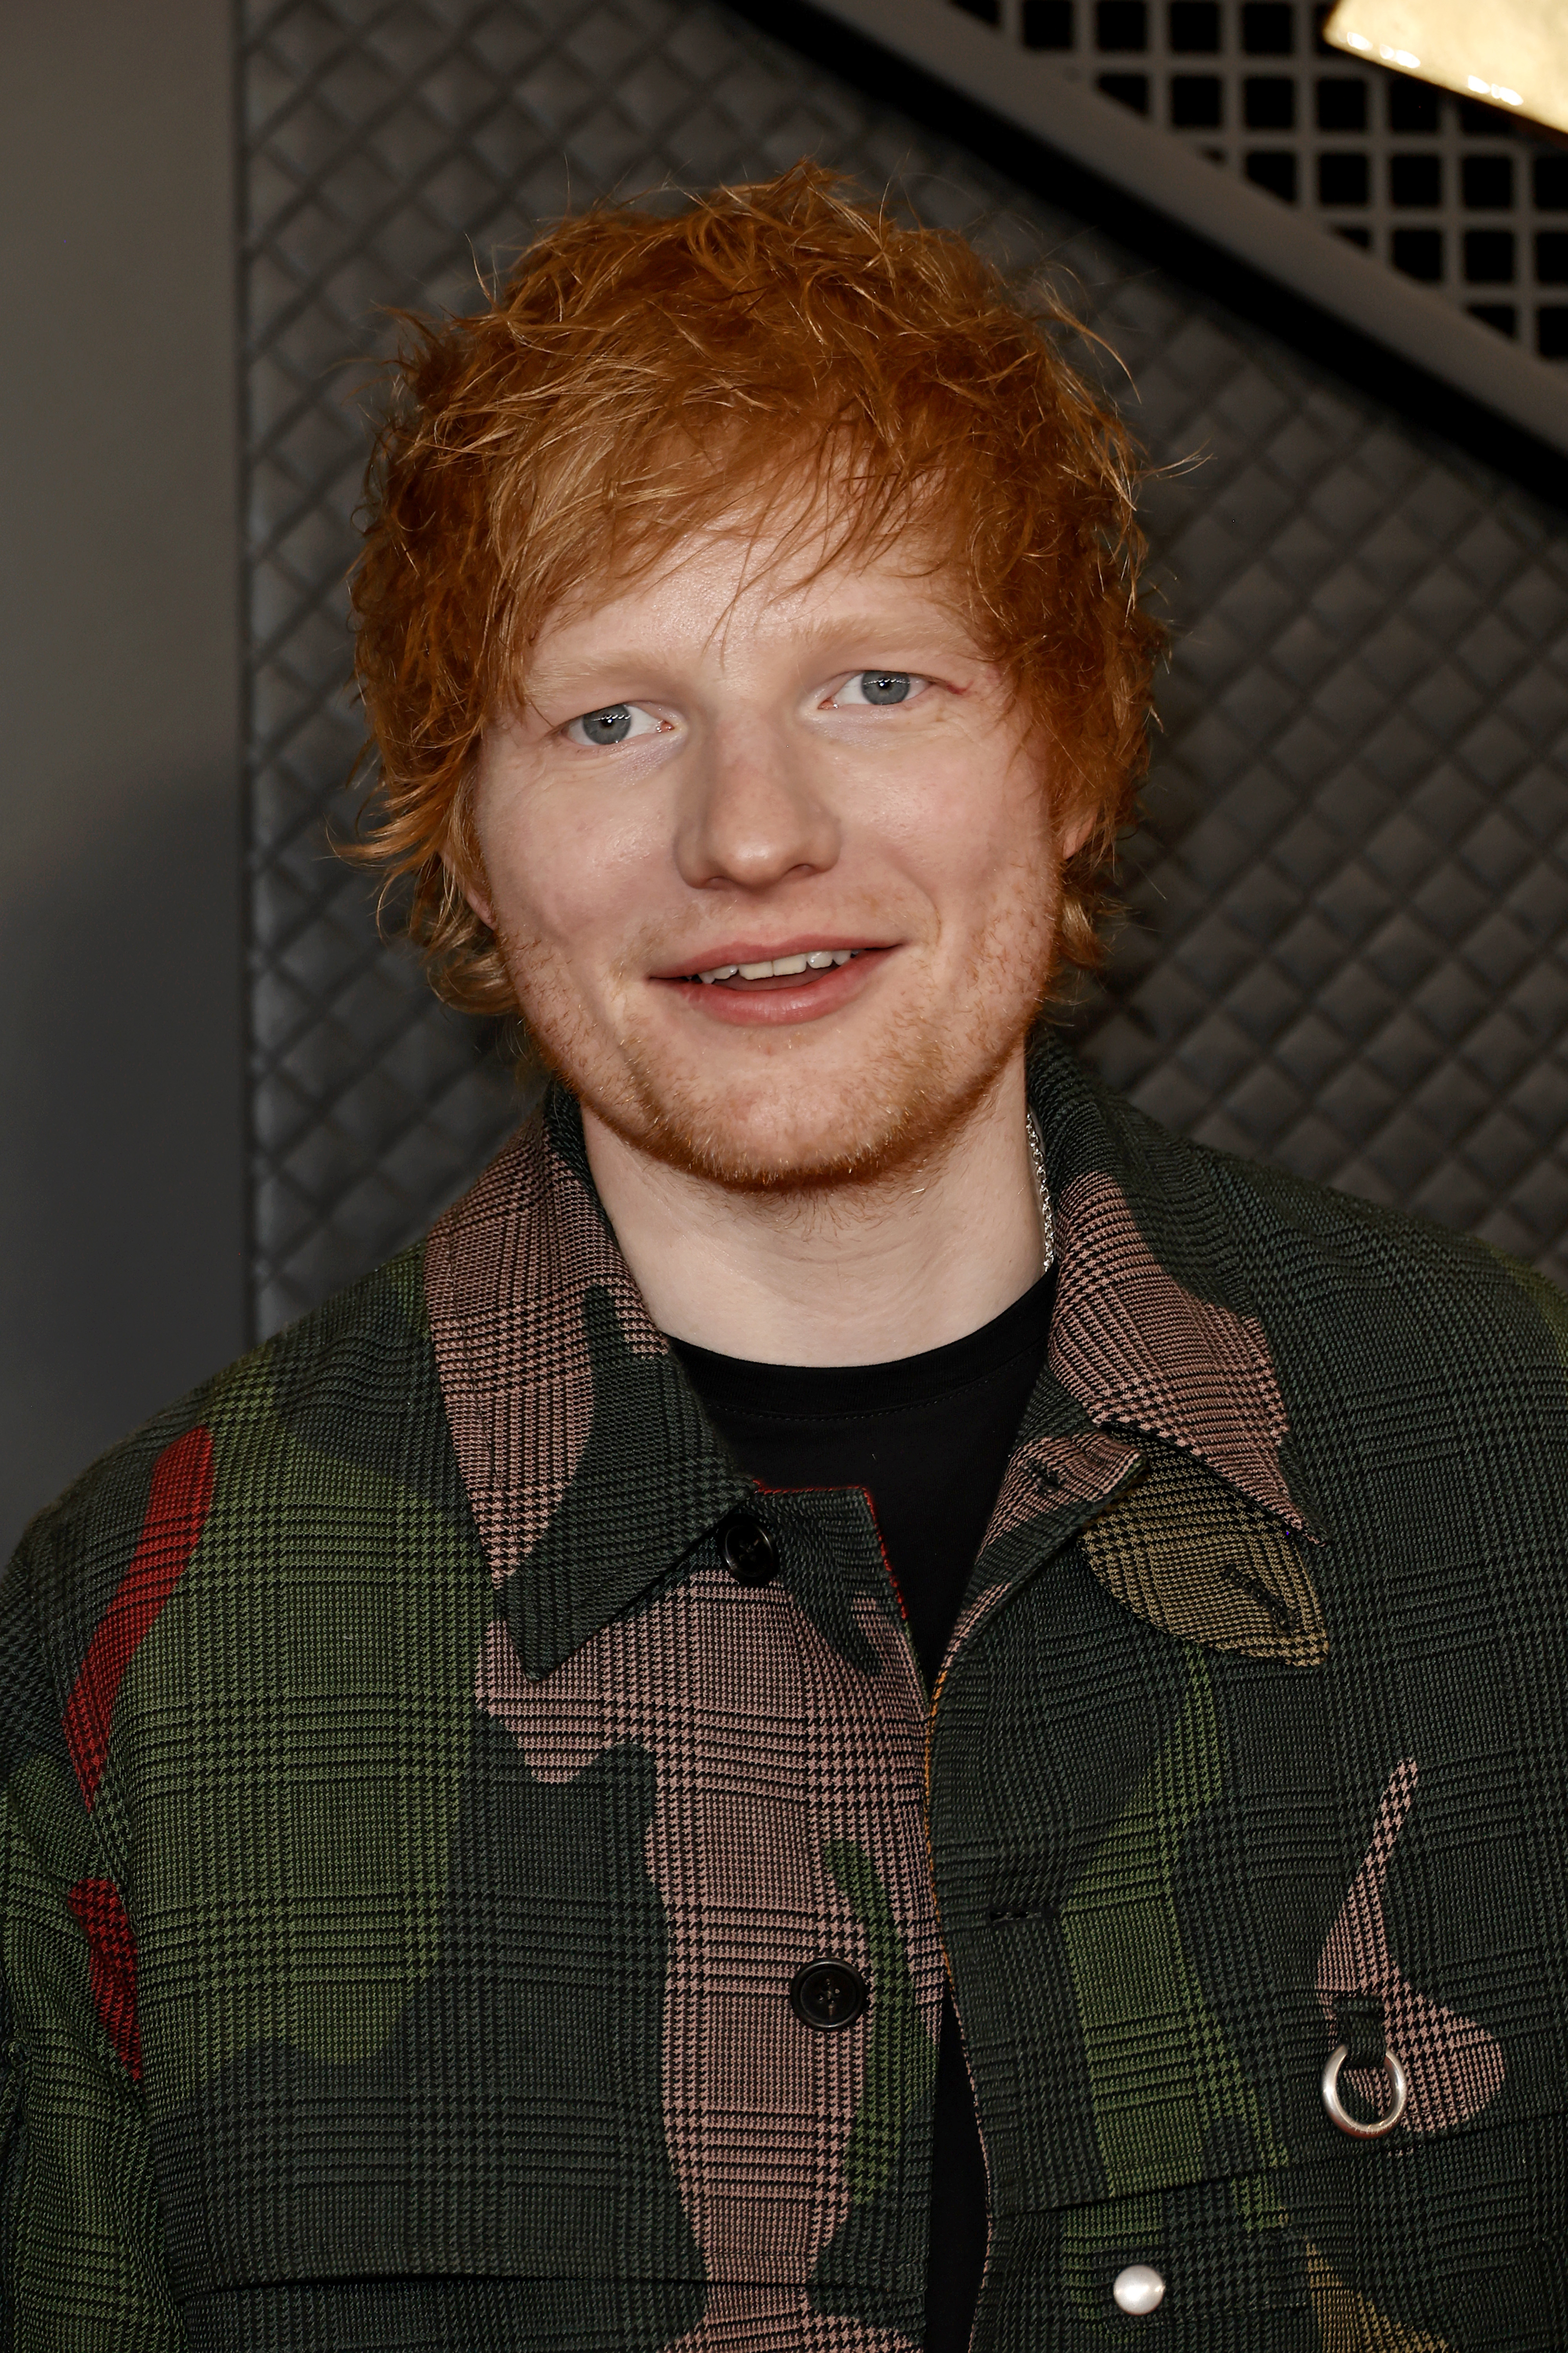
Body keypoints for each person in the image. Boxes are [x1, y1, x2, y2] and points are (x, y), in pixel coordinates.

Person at [1, 164, 1563, 2353]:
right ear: (466, 824)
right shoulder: (149, 1641)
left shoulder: (1523, 1473)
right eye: (613, 718)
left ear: (1078, 749)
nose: (750, 835)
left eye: (881, 684)